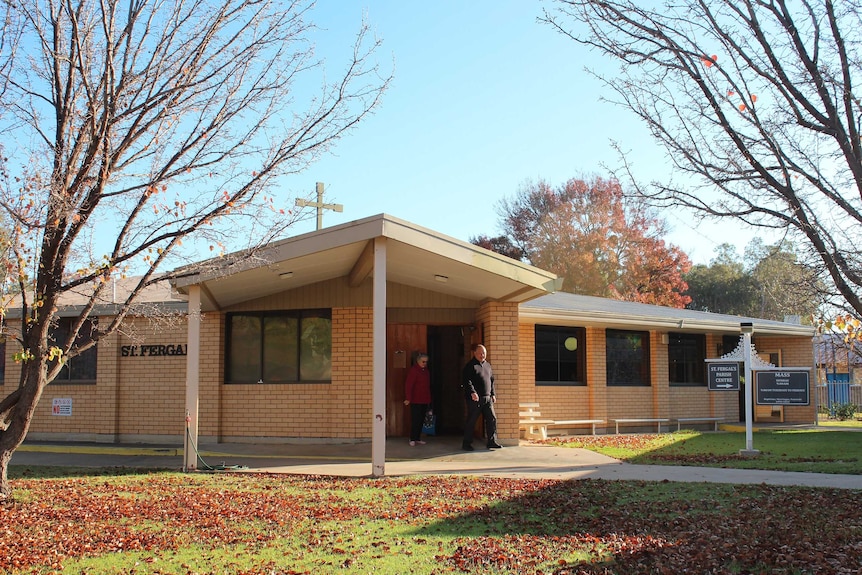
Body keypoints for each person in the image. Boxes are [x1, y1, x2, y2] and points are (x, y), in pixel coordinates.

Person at [461, 344, 501, 451]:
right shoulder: (470, 366)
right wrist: (472, 392)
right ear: (474, 353)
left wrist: (493, 394)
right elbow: (466, 381)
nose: (482, 355)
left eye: (484, 353)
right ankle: (466, 443)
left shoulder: (487, 365)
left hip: (487, 398)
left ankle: (492, 442)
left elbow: (491, 380)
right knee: (471, 421)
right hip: (475, 399)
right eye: (480, 353)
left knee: (492, 419)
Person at [403, 353, 432, 446]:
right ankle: (412, 438)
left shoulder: (426, 371)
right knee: (416, 419)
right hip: (415, 399)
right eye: (423, 362)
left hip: (424, 399)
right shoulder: (414, 370)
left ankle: (418, 438)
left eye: (426, 362)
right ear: (418, 361)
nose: (425, 363)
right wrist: (408, 398)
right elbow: (409, 385)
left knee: (421, 419)